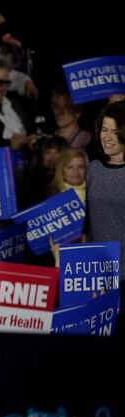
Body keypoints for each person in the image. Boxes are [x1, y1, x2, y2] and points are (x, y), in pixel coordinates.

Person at [85, 102, 125, 285]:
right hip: (97, 271)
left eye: (115, 132)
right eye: (104, 129)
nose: (107, 137)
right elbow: (88, 223)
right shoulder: (93, 168)